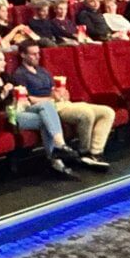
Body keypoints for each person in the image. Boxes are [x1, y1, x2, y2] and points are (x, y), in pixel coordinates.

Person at [0, 51, 82, 178]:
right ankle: (57, 159)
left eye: (4, 59)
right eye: (0, 60)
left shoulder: (6, 77)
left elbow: (19, 95)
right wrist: (3, 94)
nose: (5, 63)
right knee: (46, 120)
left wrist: (21, 97)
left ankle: (59, 146)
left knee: (47, 106)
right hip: (6, 115)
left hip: (20, 108)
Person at [12, 41, 113, 169]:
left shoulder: (42, 71)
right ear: (23, 55)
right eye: (33, 54)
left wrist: (62, 93)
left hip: (62, 103)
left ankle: (96, 152)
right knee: (86, 114)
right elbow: (27, 99)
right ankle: (84, 152)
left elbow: (54, 90)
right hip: (49, 108)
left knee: (107, 112)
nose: (38, 56)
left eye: (38, 53)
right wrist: (51, 98)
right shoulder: (20, 74)